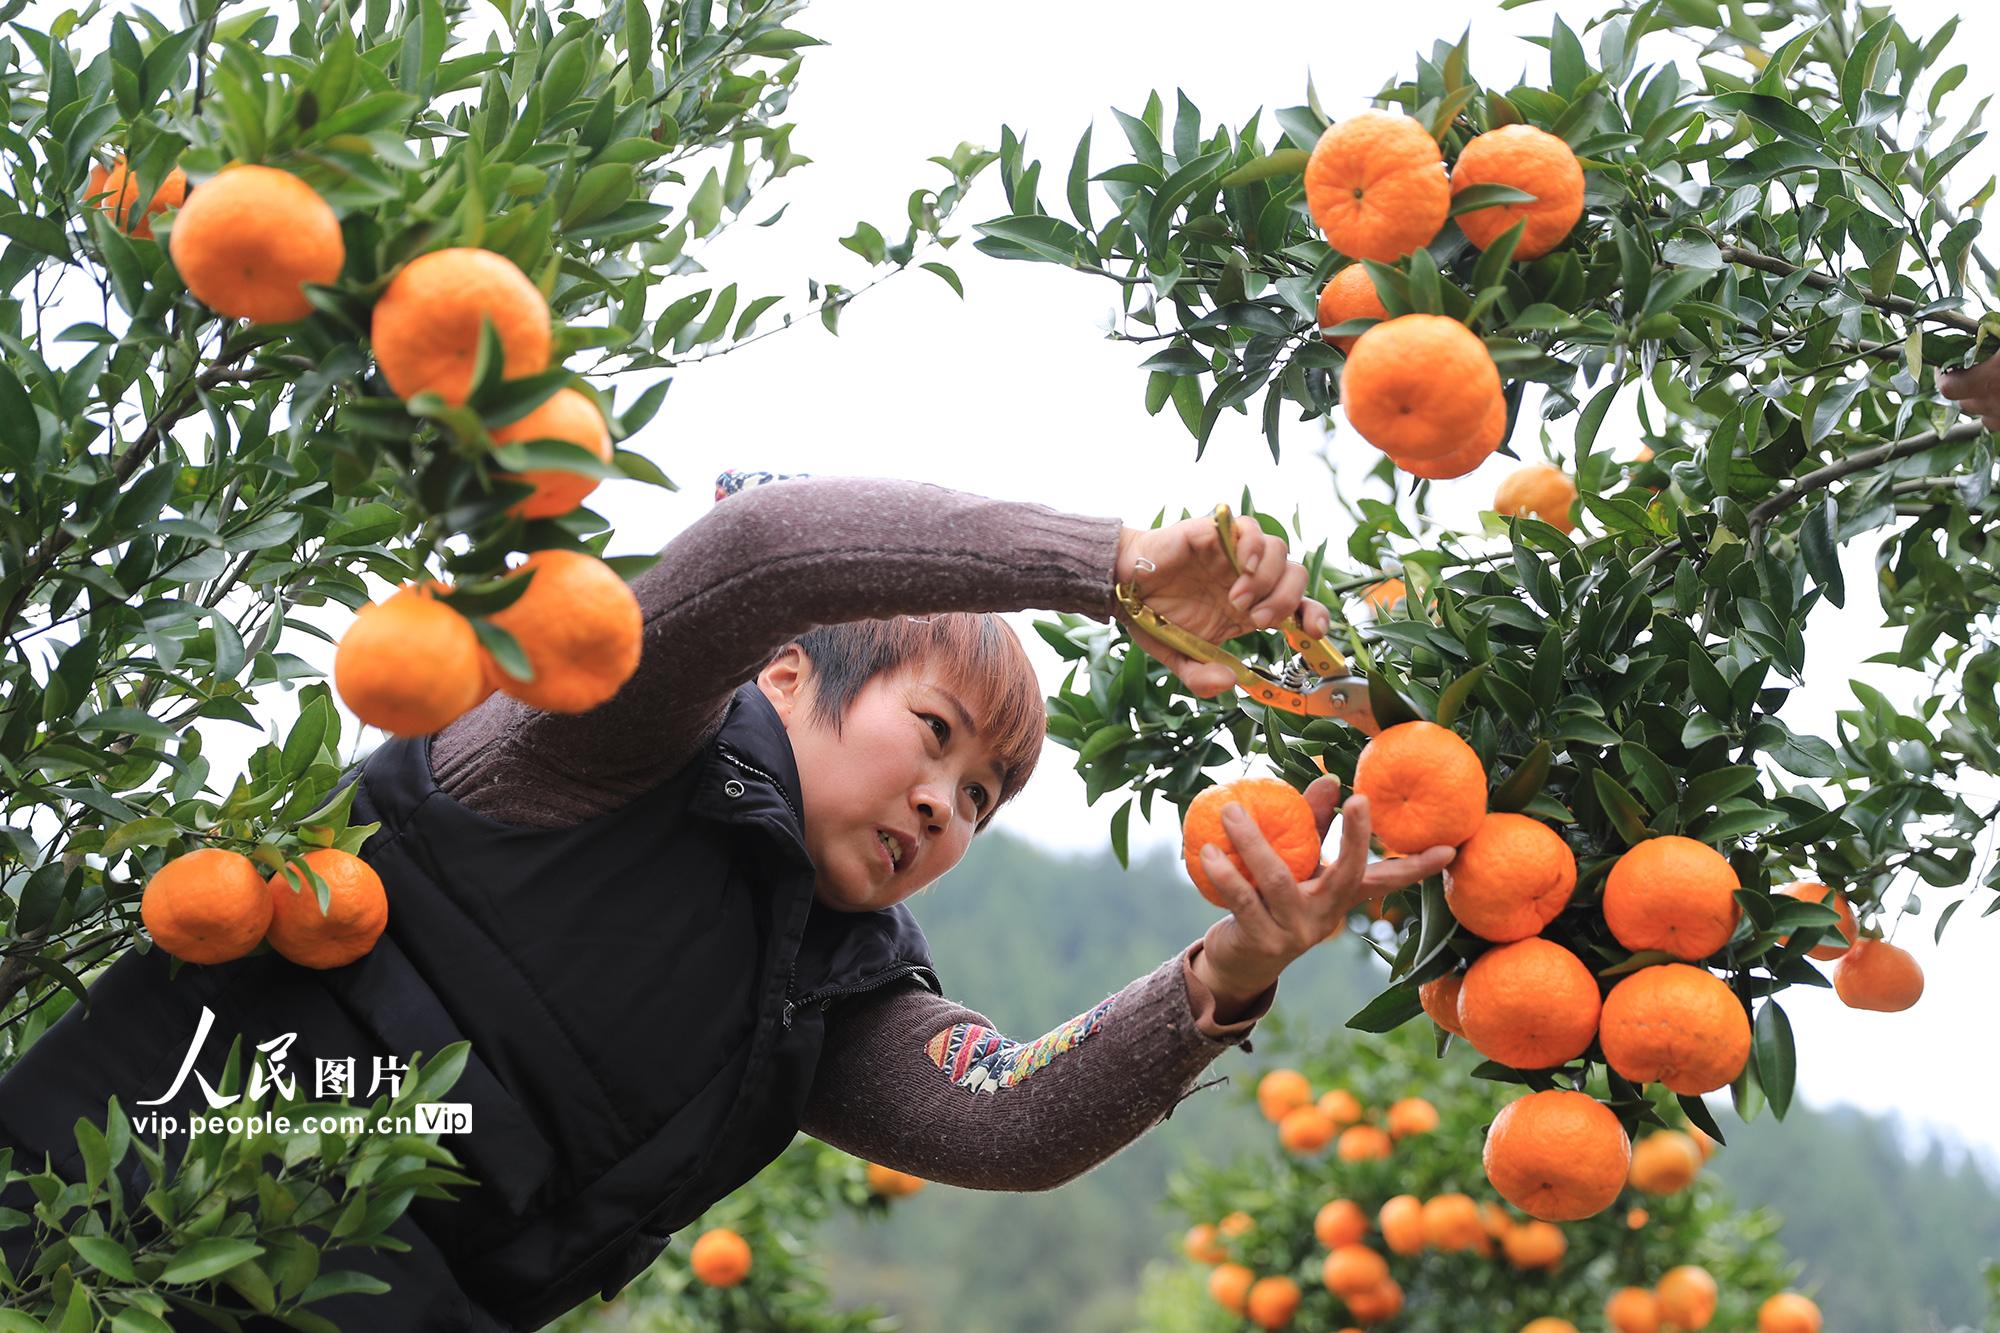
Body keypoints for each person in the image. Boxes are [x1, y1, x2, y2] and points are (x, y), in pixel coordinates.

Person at [0, 473, 1455, 1330]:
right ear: (780, 675)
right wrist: (1106, 568)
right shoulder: (597, 748)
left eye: (988, 798)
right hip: (79, 1237)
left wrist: (1231, 969)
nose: (949, 803)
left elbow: (1007, 1109)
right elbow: (760, 556)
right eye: (937, 734)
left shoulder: (833, 996)